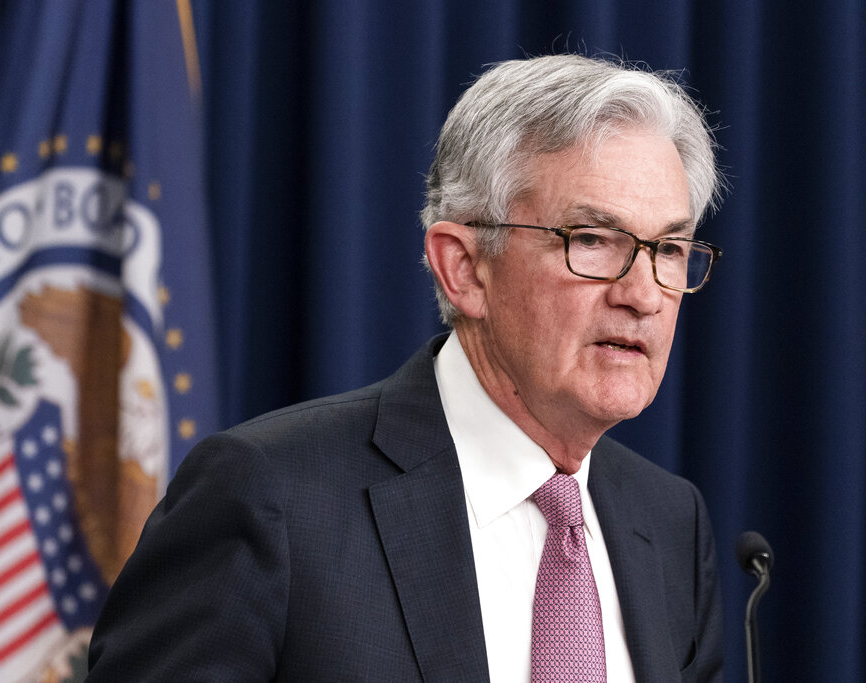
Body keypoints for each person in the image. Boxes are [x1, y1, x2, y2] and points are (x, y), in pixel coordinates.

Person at [87, 54, 725, 682]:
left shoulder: (669, 523)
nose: (643, 293)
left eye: (668, 249)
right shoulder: (269, 498)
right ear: (465, 268)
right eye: (591, 239)